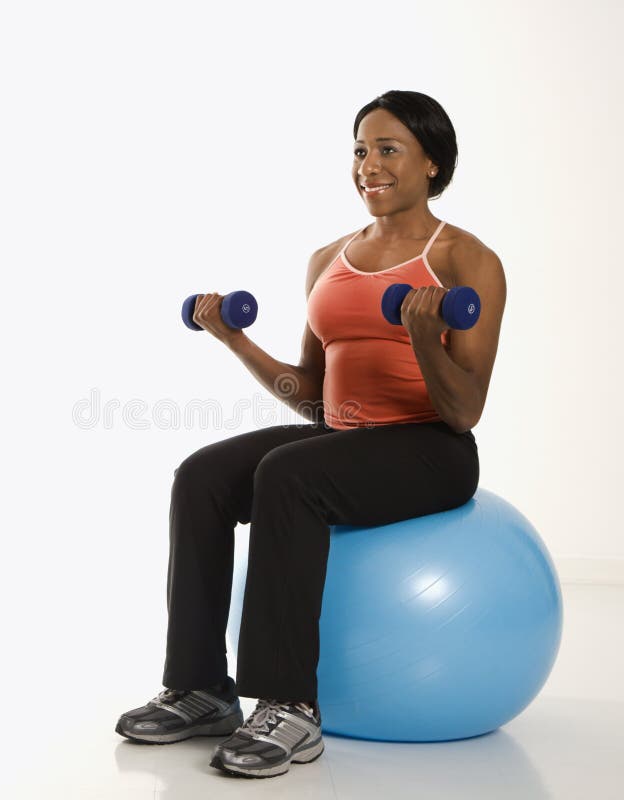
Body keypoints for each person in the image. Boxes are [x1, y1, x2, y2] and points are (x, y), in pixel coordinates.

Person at [115, 90, 506, 780]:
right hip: (343, 439)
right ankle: (203, 687)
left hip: (430, 449)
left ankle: (290, 706)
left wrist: (423, 339)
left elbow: (465, 410)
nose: (369, 165)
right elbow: (314, 398)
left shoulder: (466, 262)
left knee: (288, 477)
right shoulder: (328, 259)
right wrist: (235, 341)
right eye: (360, 150)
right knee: (202, 475)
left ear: (433, 165)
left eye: (389, 149)